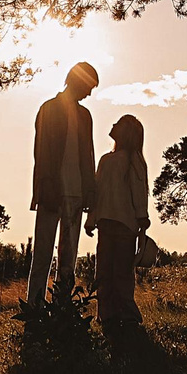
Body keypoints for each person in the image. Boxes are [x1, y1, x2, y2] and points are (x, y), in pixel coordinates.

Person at [24, 61, 98, 315]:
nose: (89, 94)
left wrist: (90, 192)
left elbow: (89, 157)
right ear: (79, 82)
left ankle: (62, 309)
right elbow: (40, 154)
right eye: (89, 87)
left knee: (68, 258)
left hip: (76, 195)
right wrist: (42, 190)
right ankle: (34, 309)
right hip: (51, 193)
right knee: (42, 255)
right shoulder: (49, 109)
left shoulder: (85, 116)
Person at [87, 113, 150, 329]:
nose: (113, 124)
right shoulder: (108, 160)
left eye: (119, 123)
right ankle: (109, 315)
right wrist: (91, 219)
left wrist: (142, 216)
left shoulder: (132, 161)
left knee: (119, 272)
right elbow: (97, 192)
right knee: (106, 272)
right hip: (110, 224)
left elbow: (138, 192)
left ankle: (125, 316)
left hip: (123, 226)